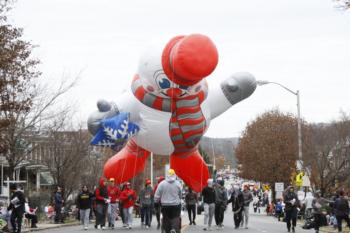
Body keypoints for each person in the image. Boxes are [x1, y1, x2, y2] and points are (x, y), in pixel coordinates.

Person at [154, 169, 182, 233]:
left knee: (166, 218)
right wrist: (179, 198)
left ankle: (168, 230)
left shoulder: (161, 184)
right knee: (175, 217)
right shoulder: (178, 184)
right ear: (174, 175)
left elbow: (157, 195)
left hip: (165, 205)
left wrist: (156, 202)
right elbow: (180, 194)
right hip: (176, 205)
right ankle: (174, 228)